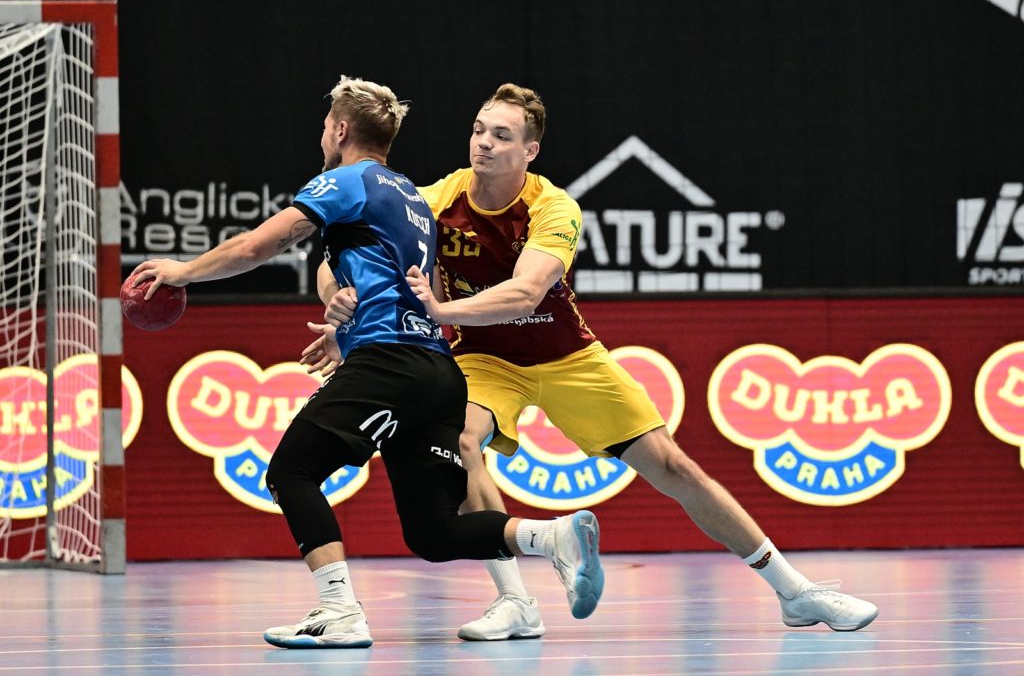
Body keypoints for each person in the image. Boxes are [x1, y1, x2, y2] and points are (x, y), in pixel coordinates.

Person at [323, 82, 880, 641]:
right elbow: (342, 252)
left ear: (530, 150)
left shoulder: (553, 207)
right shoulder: (435, 200)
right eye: (478, 130)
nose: (483, 143)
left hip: (568, 356)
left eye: (502, 135)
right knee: (462, 442)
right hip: (484, 359)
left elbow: (526, 293)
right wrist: (339, 298)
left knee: (673, 466)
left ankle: (794, 591)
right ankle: (516, 602)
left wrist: (443, 309)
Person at [129, 76, 605, 650]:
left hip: (389, 363)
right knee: (434, 532)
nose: (322, 134)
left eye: (324, 125)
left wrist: (183, 270)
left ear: (339, 129)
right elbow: (406, 286)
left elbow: (259, 245)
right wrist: (343, 324)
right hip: (437, 371)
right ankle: (551, 538)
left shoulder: (346, 180)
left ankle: (339, 611)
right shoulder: (413, 198)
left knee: (290, 472)